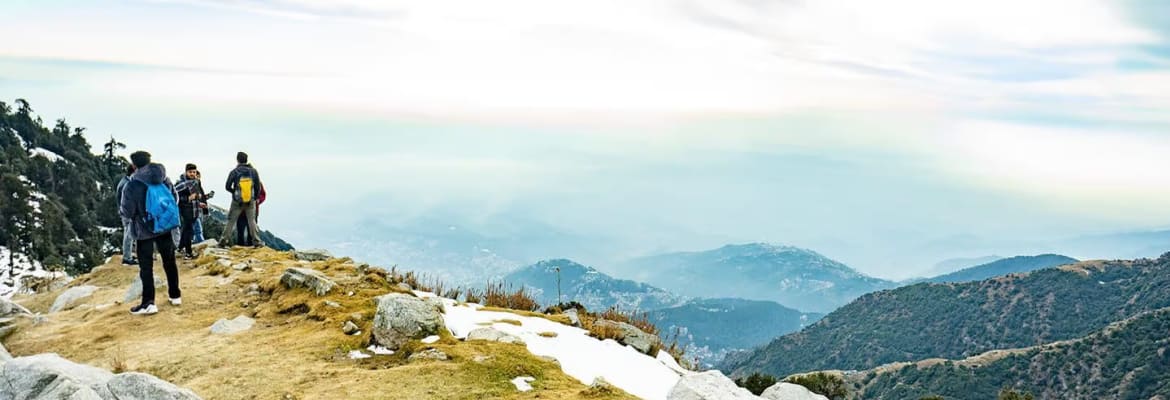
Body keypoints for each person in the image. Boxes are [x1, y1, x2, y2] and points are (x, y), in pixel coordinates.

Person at [119, 151, 183, 315]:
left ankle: (149, 303)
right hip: (164, 226)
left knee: (146, 267)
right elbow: (174, 198)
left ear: (134, 165)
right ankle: (175, 295)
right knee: (169, 261)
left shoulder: (132, 185)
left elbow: (126, 211)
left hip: (144, 230)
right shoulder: (163, 178)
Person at [220, 152, 263, 248]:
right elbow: (257, 187)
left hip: (237, 201)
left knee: (231, 221)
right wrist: (254, 198)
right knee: (252, 221)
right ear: (247, 159)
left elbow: (227, 186)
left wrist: (234, 193)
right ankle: (257, 242)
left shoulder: (234, 171)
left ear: (237, 160)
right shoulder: (253, 171)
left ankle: (223, 241)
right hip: (250, 201)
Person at [174, 163, 206, 259]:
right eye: (190, 172)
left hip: (195, 210)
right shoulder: (182, 183)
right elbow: (174, 194)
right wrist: (187, 198)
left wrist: (199, 202)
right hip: (186, 209)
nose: (192, 174)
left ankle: (180, 248)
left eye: (194, 172)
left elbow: (196, 195)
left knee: (186, 230)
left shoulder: (196, 181)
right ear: (186, 172)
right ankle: (188, 253)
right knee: (189, 231)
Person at [115, 164, 138, 265]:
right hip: (127, 212)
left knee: (129, 233)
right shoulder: (126, 184)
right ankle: (127, 257)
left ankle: (128, 255)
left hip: (125, 211)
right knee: (128, 234)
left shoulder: (125, 181)